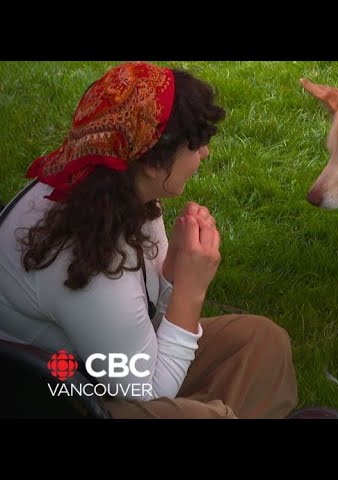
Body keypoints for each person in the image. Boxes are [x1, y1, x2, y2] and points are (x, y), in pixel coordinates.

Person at [0, 62, 298, 419]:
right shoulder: (87, 255)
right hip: (60, 398)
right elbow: (148, 391)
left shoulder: (115, 187)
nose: (205, 153)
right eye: (196, 144)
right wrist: (190, 289)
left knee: (261, 342)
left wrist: (171, 272)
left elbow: (147, 313)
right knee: (204, 416)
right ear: (154, 163)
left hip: (105, 366)